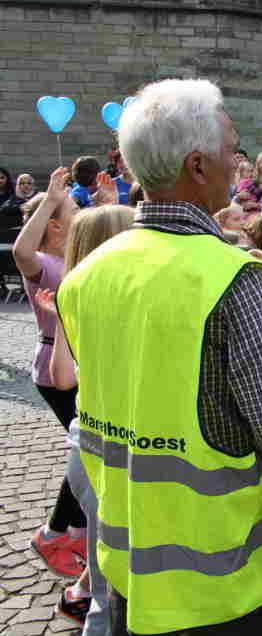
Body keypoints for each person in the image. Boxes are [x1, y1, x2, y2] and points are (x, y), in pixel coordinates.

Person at [56, 79, 262, 636]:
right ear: (198, 165)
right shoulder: (237, 279)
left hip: (127, 561)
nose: (238, 162)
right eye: (233, 149)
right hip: (220, 581)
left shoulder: (86, 275)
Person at [37, 203, 135, 633]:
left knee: (105, 568)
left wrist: (62, 318)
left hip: (85, 446)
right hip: (109, 450)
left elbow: (61, 377)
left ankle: (83, 598)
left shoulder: (76, 296)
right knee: (112, 584)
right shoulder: (116, 303)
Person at [13, 168, 86, 580]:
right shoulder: (42, 262)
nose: (80, 212)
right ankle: (53, 534)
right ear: (55, 225)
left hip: (74, 365)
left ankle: (75, 532)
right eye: (74, 209)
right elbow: (21, 251)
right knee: (85, 451)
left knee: (87, 450)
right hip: (54, 369)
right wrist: (52, 200)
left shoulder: (71, 257)